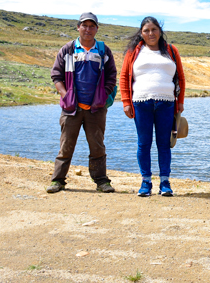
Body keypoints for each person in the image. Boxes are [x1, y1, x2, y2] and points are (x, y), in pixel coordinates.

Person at [47, 12, 117, 193]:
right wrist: (65, 95)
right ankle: (58, 181)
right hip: (71, 109)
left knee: (97, 146)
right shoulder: (68, 49)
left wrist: (103, 94)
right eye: (84, 25)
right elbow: (56, 75)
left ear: (97, 29)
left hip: (96, 109)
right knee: (66, 145)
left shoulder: (103, 51)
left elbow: (111, 76)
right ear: (78, 27)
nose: (88, 29)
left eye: (91, 26)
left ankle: (102, 181)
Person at [120, 17, 186, 197]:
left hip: (167, 103)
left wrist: (180, 101)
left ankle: (165, 182)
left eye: (154, 29)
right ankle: (146, 182)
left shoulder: (171, 51)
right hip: (141, 103)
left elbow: (180, 76)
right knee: (144, 144)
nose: (151, 33)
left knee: (164, 144)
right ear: (141, 33)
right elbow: (125, 76)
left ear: (160, 31)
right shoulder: (134, 51)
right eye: (146, 30)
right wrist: (126, 101)